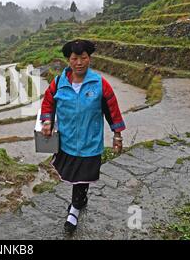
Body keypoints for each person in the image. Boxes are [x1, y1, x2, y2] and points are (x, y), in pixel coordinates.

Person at [40, 39, 126, 234]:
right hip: (67, 141)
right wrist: (47, 121)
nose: (79, 62)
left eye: (83, 58)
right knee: (73, 175)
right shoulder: (58, 82)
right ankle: (81, 199)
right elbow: (48, 102)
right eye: (74, 58)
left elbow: (112, 109)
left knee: (82, 177)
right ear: (69, 60)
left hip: (90, 141)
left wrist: (117, 135)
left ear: (90, 59)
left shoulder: (99, 84)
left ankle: (75, 208)